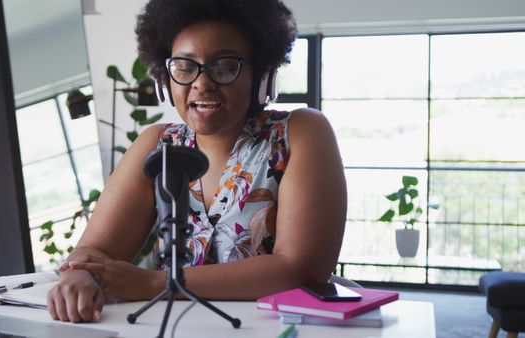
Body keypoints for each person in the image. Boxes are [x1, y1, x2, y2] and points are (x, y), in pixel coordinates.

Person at [47, 0, 347, 323]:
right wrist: (80, 276)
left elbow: (301, 267)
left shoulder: (300, 133)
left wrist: (154, 283)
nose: (202, 83)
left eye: (224, 66)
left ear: (260, 73)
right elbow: (94, 251)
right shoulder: (158, 145)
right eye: (185, 67)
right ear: (166, 75)